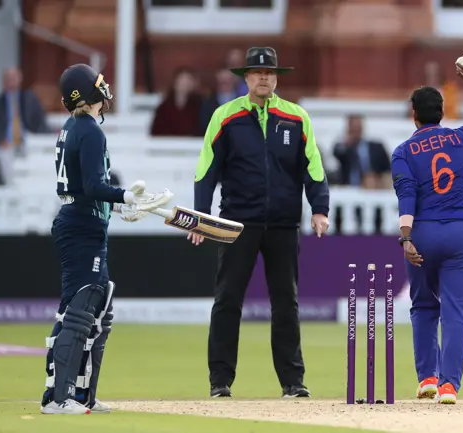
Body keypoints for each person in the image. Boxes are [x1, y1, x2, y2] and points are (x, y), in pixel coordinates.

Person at [190, 47, 330, 398]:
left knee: (286, 303)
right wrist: (201, 218)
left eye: (269, 72)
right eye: (256, 72)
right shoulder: (226, 116)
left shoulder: (296, 117)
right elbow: (206, 171)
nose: (263, 77)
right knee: (227, 300)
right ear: (246, 77)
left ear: (276, 77)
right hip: (237, 224)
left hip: (283, 224)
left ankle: (293, 382)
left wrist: (319, 208)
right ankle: (219, 381)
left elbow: (313, 167)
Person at [40, 63, 173, 415]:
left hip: (84, 221)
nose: (104, 89)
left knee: (99, 312)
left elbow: (83, 189)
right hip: (81, 227)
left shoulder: (73, 127)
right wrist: (126, 196)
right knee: (79, 310)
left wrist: (116, 208)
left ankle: (83, 395)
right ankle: (57, 398)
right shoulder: (89, 130)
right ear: (86, 93)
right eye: (97, 85)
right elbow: (92, 187)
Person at [390, 55, 463, 404]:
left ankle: (426, 377)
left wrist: (406, 238)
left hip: (422, 234)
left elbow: (406, 195)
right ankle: (449, 386)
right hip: (460, 234)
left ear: (414, 114)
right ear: (442, 112)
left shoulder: (403, 151)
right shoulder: (460, 138)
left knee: (424, 306)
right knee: (456, 311)